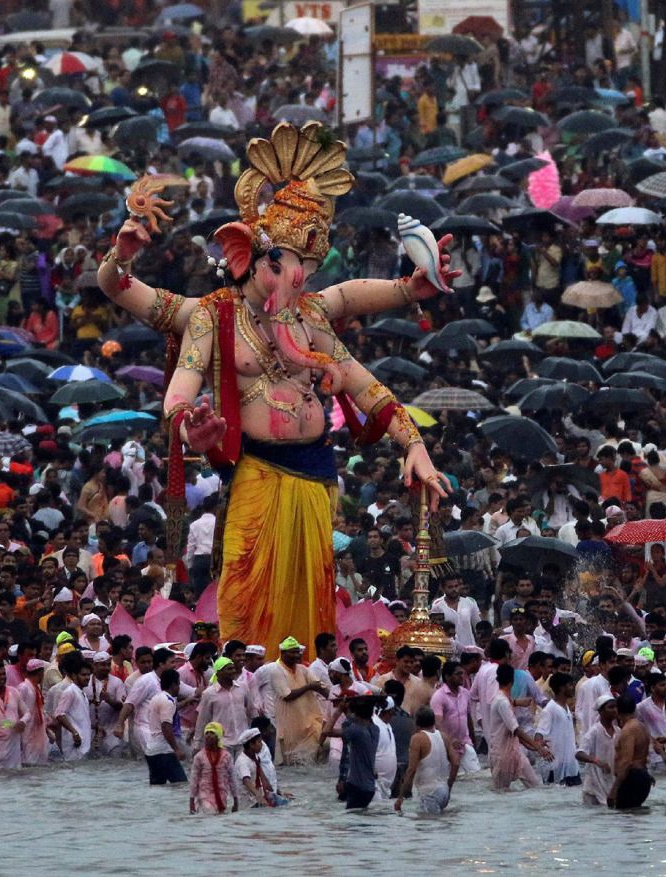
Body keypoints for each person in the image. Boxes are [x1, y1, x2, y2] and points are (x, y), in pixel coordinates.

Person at [99, 122, 451, 656]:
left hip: (315, 478)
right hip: (255, 474)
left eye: (311, 266)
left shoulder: (310, 314)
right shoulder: (209, 316)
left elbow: (362, 377)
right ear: (251, 254)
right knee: (245, 593)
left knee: (310, 606)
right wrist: (120, 259)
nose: (301, 278)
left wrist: (415, 445)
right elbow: (143, 322)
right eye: (291, 264)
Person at [486, 662, 550, 790]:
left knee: (536, 786)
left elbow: (514, 734)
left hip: (515, 752)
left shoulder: (504, 700)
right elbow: (516, 730)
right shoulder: (502, 702)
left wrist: (533, 747)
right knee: (501, 794)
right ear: (512, 680)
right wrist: (537, 746)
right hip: (501, 755)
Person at [393, 706, 458, 814]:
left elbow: (411, 770)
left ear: (416, 722)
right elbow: (455, 763)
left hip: (429, 793)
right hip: (444, 791)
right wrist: (449, 785)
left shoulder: (417, 739)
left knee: (426, 828)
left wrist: (400, 797)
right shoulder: (443, 736)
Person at [143, 668, 188, 785]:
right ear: (173, 685)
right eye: (178, 684)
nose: (179, 687)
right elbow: (166, 726)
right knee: (181, 785)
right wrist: (176, 749)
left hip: (151, 751)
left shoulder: (156, 698)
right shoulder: (168, 701)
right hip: (164, 751)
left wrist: (188, 701)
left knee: (158, 787)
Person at [610, 695, 654, 809]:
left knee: (625, 819)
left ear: (617, 711)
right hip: (643, 776)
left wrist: (614, 789)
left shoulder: (628, 730)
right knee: (635, 818)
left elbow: (626, 762)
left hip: (632, 778)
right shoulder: (642, 727)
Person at [337, 695, 381, 810]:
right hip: (370, 787)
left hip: (357, 785)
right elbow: (360, 721)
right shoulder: (375, 729)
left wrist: (338, 711)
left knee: (352, 821)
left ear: (356, 714)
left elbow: (326, 731)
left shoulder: (356, 730)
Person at [577, 695, 619, 805]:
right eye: (610, 707)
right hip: (593, 787)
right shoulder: (594, 731)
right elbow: (579, 753)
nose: (614, 710)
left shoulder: (618, 732)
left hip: (609, 784)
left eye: (615, 706)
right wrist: (597, 761)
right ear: (601, 711)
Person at [189, 722, 238, 814]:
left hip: (222, 795)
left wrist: (235, 800)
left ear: (218, 736)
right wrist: (191, 802)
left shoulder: (226, 756)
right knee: (210, 816)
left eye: (212, 733)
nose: (208, 736)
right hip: (205, 795)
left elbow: (232, 779)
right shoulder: (199, 757)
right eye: (206, 733)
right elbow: (194, 780)